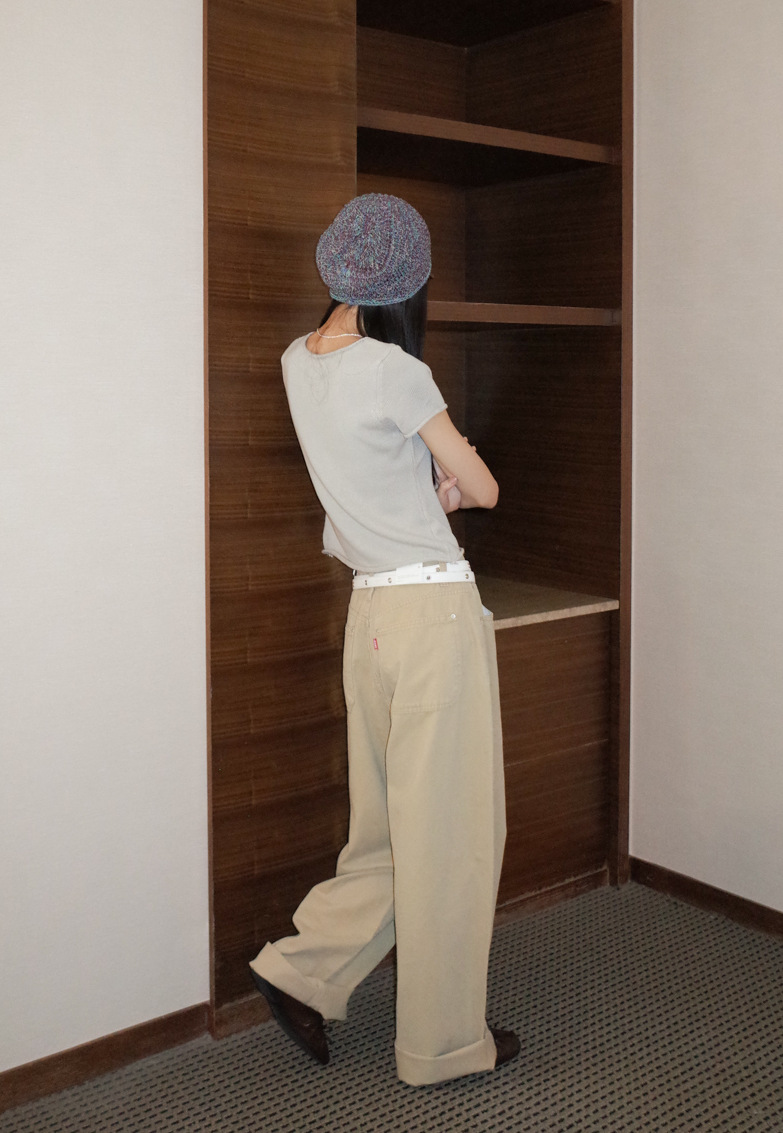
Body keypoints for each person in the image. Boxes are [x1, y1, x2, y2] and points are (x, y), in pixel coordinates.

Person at [249, 193, 519, 1086]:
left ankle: (303, 969)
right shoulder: (397, 370)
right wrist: (453, 471)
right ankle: (442, 1044)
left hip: (367, 618)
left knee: (387, 832)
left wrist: (429, 488)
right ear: (408, 280)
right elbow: (484, 490)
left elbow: (371, 487)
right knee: (452, 836)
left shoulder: (298, 362)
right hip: (433, 617)